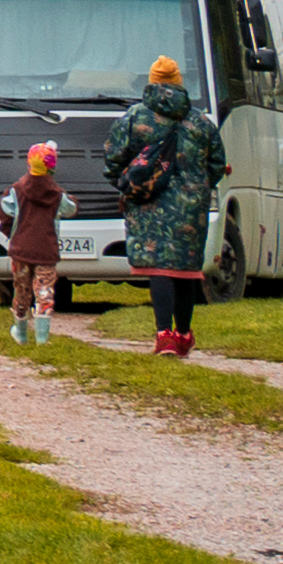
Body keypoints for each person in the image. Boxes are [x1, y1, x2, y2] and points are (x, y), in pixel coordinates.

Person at [107, 54, 231, 357]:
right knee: (185, 270)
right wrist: (198, 187)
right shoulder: (200, 121)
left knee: (158, 267)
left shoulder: (135, 117)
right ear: (178, 84)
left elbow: (113, 159)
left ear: (151, 82)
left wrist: (128, 183)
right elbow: (217, 164)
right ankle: (184, 334)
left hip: (147, 204)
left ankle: (164, 335)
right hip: (191, 206)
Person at [10, 139, 68, 343]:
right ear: (52, 167)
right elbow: (70, 208)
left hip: (21, 249)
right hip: (46, 250)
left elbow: (6, 209)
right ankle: (42, 339)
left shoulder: (17, 190)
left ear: (28, 164)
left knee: (22, 290)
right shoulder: (57, 194)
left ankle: (21, 333)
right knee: (44, 292)